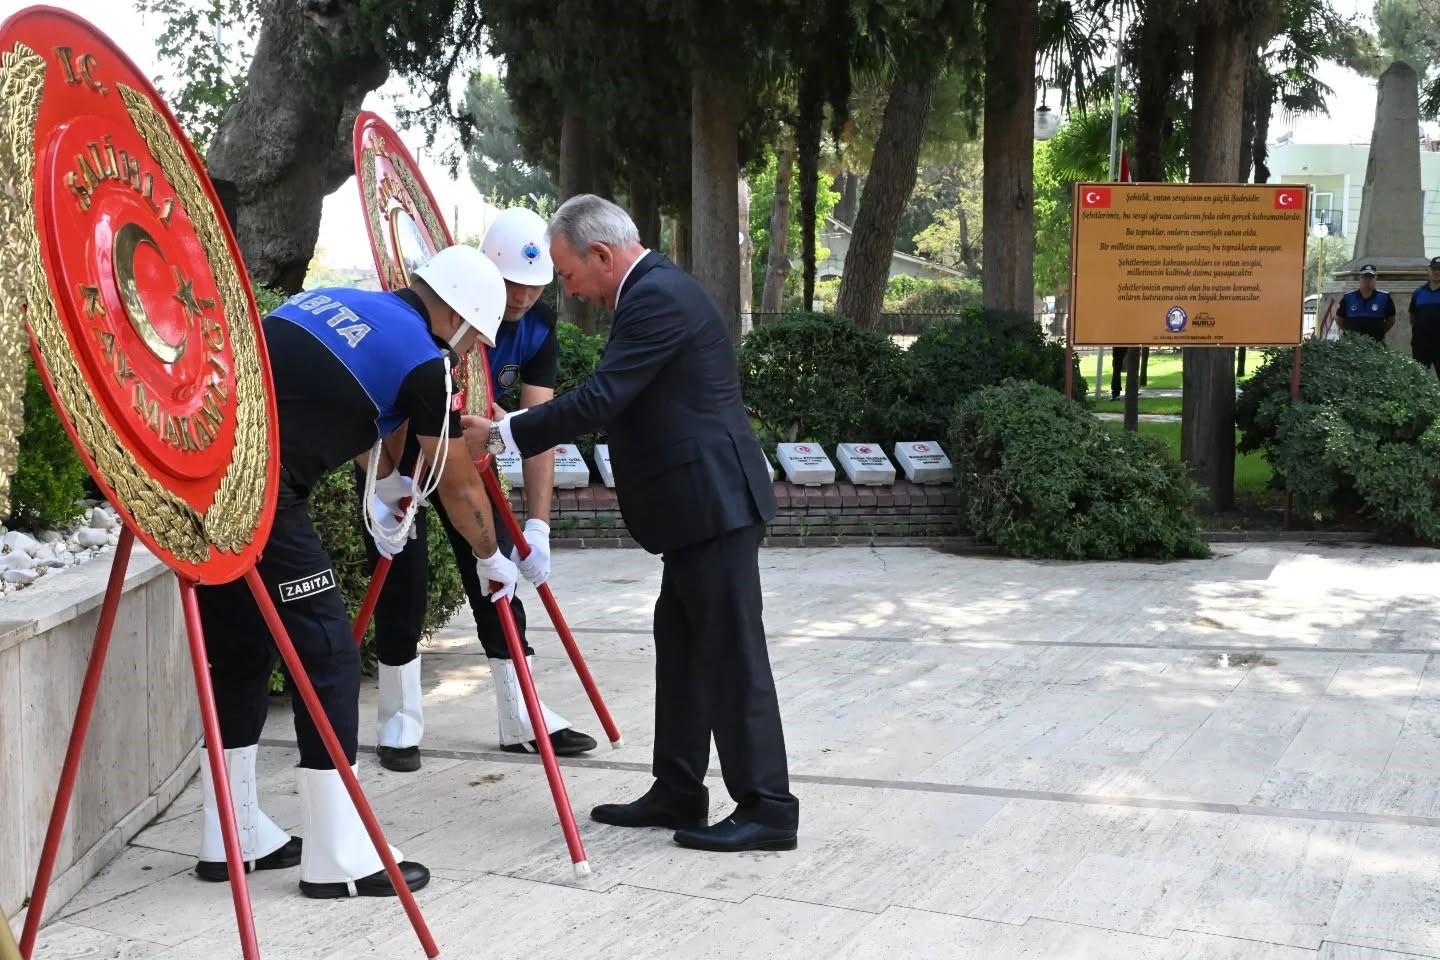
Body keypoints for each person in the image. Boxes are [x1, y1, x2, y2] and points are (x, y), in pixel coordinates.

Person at [463, 194, 800, 854]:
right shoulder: (651, 292)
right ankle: (678, 787)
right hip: (697, 512)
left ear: (601, 254)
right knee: (680, 647)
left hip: (715, 506)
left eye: (566, 273)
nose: (569, 289)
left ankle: (768, 807)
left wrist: (506, 435)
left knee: (731, 657)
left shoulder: (657, 297)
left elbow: (602, 397)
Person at [193, 245, 521, 899]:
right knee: (329, 658)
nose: (464, 358)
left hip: (206, 473)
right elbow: (453, 484)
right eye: (470, 342)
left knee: (242, 652)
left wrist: (389, 488)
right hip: (264, 489)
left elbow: (347, 401)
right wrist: (492, 558)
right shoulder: (428, 363)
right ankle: (338, 854)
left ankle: (230, 835)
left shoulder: (332, 301)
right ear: (453, 313)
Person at [357, 207, 597, 773]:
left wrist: (538, 525)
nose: (521, 299)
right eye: (513, 284)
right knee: (401, 580)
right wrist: (390, 480)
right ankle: (398, 723)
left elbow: (539, 430)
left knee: (497, 578)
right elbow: (392, 398)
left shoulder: (538, 329)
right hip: (402, 453)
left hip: (469, 457)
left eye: (536, 287)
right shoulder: (440, 301)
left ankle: (522, 715)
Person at [1338, 264, 1396, 343]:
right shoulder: (1348, 297)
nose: (1367, 280)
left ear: (1376, 278)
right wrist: (1349, 333)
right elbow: (1339, 320)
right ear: (1360, 278)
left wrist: (1380, 333)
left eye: (1371, 277)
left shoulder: (1385, 298)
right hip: (1352, 345)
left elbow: (1391, 320)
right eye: (1365, 277)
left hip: (1375, 345)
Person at [1410, 257, 1440, 374]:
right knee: (1419, 381)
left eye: (1439, 269)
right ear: (1429, 271)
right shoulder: (1419, 292)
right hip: (1421, 346)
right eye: (1434, 269)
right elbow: (1413, 317)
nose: (1437, 272)